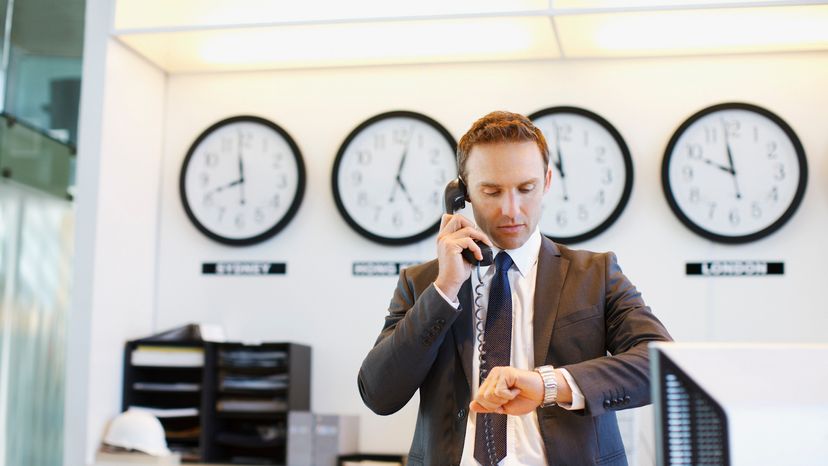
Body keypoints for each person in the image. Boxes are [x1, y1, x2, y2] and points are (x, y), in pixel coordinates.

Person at [358, 111, 672, 466]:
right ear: (463, 193)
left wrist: (549, 385)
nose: (511, 210)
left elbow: (661, 364)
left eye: (526, 189)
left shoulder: (595, 274)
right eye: (491, 191)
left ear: (548, 181)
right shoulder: (422, 283)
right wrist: (445, 289)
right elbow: (379, 395)